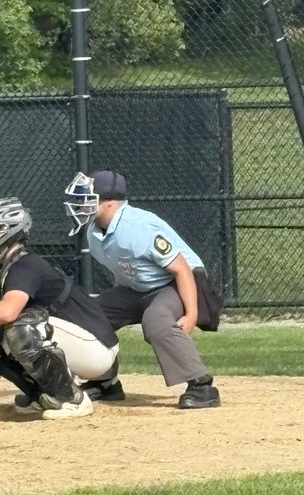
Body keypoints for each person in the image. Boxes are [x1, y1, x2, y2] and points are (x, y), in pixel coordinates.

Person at [0, 197, 120, 419]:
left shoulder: (25, 265)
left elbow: (7, 311)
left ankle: (73, 400)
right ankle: (44, 395)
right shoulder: (13, 264)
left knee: (22, 326)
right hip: (85, 343)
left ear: (9, 230)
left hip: (98, 351)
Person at [63, 169, 221, 409]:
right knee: (89, 316)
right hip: (140, 287)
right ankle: (105, 383)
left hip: (181, 280)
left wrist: (191, 314)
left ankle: (202, 385)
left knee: (155, 320)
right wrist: (120, 305)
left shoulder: (137, 227)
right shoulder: (94, 233)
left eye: (89, 199)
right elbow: (124, 271)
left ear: (109, 203)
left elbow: (182, 269)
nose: (81, 204)